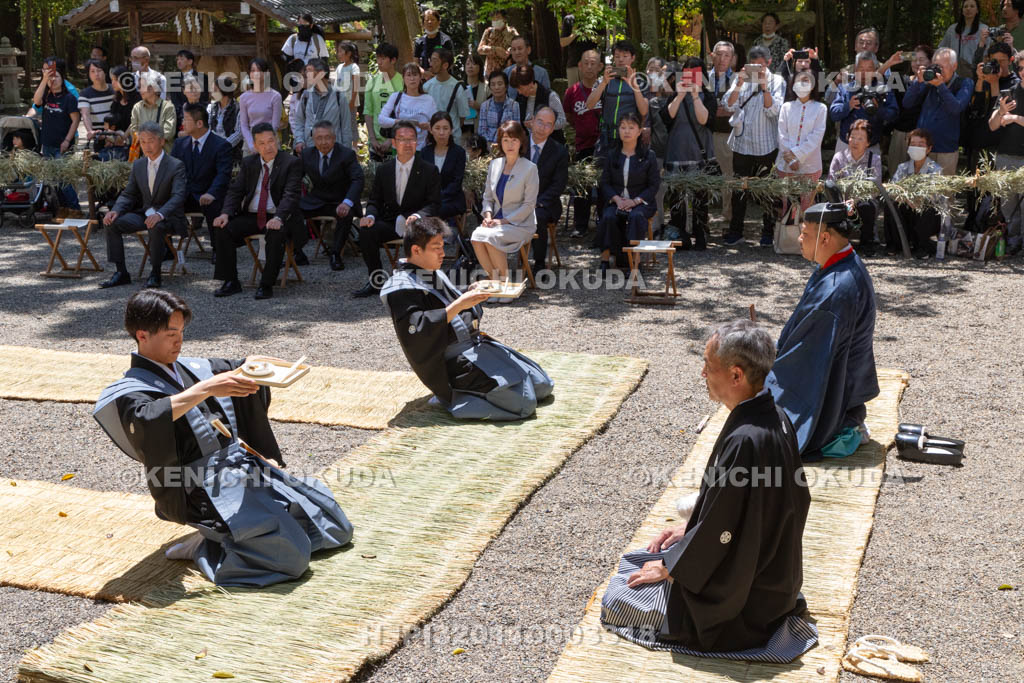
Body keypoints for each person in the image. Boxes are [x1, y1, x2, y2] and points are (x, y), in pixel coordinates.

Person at [93, 290, 353, 587]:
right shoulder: (130, 390)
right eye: (170, 334)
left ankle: (231, 532)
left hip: (242, 466)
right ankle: (205, 546)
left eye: (181, 332)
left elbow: (243, 365)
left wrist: (272, 368)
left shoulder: (193, 368)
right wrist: (205, 390)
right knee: (289, 559)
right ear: (142, 335)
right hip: (198, 485)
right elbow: (147, 418)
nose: (179, 341)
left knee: (333, 526)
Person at [601, 319, 814, 659]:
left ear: (736, 376)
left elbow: (721, 528)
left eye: (708, 366)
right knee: (643, 559)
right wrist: (690, 528)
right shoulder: (776, 415)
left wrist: (672, 569)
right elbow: (749, 507)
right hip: (777, 583)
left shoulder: (747, 438)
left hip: (742, 605)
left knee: (618, 598)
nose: (703, 374)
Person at [381, 216, 553, 418]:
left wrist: (469, 290)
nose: (443, 254)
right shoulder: (400, 288)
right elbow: (417, 328)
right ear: (416, 250)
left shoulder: (430, 271)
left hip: (476, 346)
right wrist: (461, 303)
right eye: (436, 248)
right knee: (524, 403)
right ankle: (453, 397)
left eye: (442, 247)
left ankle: (479, 389)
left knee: (543, 386)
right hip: (453, 361)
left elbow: (445, 298)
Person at [766, 202, 879, 461]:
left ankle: (837, 426)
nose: (800, 238)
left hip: (833, 397)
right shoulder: (847, 262)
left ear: (825, 237)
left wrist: (766, 373)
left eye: (805, 232)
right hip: (845, 384)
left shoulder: (836, 289)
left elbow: (806, 360)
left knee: (762, 421)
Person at [211, 123, 305, 301]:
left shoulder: (291, 163)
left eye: (271, 141)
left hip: (280, 216)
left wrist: (279, 217)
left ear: (277, 140)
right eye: (261, 143)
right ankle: (231, 281)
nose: (268, 146)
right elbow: (235, 191)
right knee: (223, 227)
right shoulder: (249, 163)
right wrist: (225, 214)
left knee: (275, 232)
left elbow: (291, 195)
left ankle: (266, 283)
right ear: (254, 146)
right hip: (252, 215)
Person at [354, 120, 441, 298]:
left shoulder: (429, 170)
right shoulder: (384, 170)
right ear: (394, 143)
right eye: (402, 139)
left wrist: (418, 215)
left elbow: (434, 204)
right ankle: (376, 280)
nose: (407, 144)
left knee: (424, 234)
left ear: (417, 142)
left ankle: (420, 283)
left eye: (411, 139)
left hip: (417, 225)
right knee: (366, 230)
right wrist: (370, 215)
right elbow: (374, 200)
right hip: (390, 221)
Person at [100, 121, 187, 289]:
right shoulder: (138, 165)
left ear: (162, 141)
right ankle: (121, 272)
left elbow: (178, 196)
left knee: (156, 225)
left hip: (169, 217)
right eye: (143, 141)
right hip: (145, 213)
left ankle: (155, 273)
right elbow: (129, 194)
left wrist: (160, 214)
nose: (147, 146)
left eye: (151, 140)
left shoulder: (176, 165)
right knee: (112, 223)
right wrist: (115, 210)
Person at [723, 46, 785, 246]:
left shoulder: (777, 80)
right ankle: (736, 231)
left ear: (768, 63)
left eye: (761, 65)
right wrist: (739, 84)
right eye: (753, 65)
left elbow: (774, 110)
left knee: (767, 190)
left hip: (766, 144)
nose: (757, 69)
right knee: (739, 189)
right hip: (742, 142)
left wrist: (765, 87)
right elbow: (728, 105)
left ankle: (767, 232)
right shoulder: (740, 79)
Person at [471, 120, 539, 283]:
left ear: (521, 142)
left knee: (491, 237)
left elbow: (529, 205)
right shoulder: (494, 165)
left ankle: (504, 284)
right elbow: (487, 198)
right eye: (506, 140)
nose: (510, 144)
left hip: (520, 224)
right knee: (476, 236)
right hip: (495, 222)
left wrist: (502, 221)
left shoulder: (530, 168)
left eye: (514, 140)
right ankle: (496, 282)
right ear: (500, 142)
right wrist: (487, 217)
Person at [662, 59, 717, 250]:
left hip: (699, 152)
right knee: (677, 196)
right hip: (677, 150)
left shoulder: (708, 97)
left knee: (700, 195)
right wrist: (679, 95)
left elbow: (704, 120)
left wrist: (695, 96)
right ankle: (680, 234)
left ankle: (700, 233)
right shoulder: (674, 95)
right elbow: (668, 116)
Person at [596, 112, 660, 273]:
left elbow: (653, 186)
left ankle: (634, 262)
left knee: (636, 217)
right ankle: (607, 259)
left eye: (631, 127)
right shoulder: (612, 155)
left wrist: (635, 201)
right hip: (617, 200)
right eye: (623, 127)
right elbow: (604, 182)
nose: (627, 131)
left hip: (641, 203)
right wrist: (617, 199)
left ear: (639, 131)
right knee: (609, 216)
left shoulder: (648, 156)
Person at [299, 120, 365, 271]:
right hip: (317, 200)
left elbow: (358, 179)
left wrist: (347, 202)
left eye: (327, 137)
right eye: (319, 138)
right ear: (313, 139)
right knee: (291, 211)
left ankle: (336, 254)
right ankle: (297, 252)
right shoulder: (306, 154)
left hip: (340, 200)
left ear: (334, 138)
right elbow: (294, 179)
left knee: (345, 214)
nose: (324, 142)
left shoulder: (346, 154)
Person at [172, 103, 232, 252]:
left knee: (214, 205)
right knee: (163, 204)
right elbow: (172, 172)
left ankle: (218, 250)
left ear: (199, 123)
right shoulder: (180, 144)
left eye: (186, 119)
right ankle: (168, 248)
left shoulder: (221, 145)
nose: (182, 123)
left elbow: (223, 175)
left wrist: (211, 193)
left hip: (209, 195)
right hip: (185, 195)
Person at [902, 47, 972, 175]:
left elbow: (956, 108)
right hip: (921, 149)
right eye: (935, 66)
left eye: (942, 67)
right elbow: (907, 103)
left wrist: (940, 86)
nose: (938, 71)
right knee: (918, 190)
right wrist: (919, 82)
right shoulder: (928, 81)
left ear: (954, 66)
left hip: (945, 150)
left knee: (943, 192)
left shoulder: (964, 83)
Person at [776, 68, 827, 222]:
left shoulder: (820, 108)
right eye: (799, 80)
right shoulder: (786, 107)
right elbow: (781, 134)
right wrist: (791, 159)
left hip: (810, 165)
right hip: (785, 165)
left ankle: (806, 242)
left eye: (806, 80)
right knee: (787, 206)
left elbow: (816, 137)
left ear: (813, 84)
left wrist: (797, 155)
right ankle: (786, 243)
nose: (802, 84)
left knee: (807, 207)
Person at [885, 129, 944, 258]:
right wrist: (906, 199)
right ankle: (896, 244)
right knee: (890, 204)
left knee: (929, 209)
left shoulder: (935, 169)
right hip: (906, 209)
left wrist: (918, 199)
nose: (916, 147)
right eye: (913, 144)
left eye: (921, 144)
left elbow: (934, 195)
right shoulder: (903, 168)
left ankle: (921, 246)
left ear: (929, 149)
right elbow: (893, 189)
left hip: (925, 213)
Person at [563, 49, 603, 237]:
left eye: (593, 63)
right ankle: (580, 225)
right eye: (585, 62)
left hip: (603, 146)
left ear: (600, 66)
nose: (589, 66)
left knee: (604, 185)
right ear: (579, 65)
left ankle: (603, 222)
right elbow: (569, 116)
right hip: (582, 145)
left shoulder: (606, 88)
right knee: (582, 186)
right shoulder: (571, 92)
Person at [524, 108, 569, 272]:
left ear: (552, 128)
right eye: (540, 122)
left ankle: (539, 263)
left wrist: (537, 203)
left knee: (537, 217)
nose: (543, 127)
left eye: (548, 124)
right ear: (532, 120)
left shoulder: (560, 152)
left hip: (545, 203)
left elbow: (558, 185)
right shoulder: (519, 145)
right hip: (518, 199)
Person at [32, 59, 80, 210]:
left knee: (64, 179)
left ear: (63, 79)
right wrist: (45, 79)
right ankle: (63, 209)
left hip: (63, 145)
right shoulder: (46, 97)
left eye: (56, 77)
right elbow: (36, 100)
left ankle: (75, 208)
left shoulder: (69, 98)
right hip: (47, 144)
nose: (53, 80)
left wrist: (67, 140)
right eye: (51, 77)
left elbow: (75, 121)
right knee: (53, 180)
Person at [828, 119, 882, 255]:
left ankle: (867, 244)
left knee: (867, 206)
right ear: (847, 138)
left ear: (868, 143)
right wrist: (845, 201)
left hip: (863, 200)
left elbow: (875, 189)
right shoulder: (839, 158)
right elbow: (831, 182)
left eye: (860, 138)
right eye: (852, 137)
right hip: (842, 200)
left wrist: (855, 200)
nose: (855, 141)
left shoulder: (874, 159)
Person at [586, 40, 650, 154]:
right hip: (607, 137)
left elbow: (644, 111)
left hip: (629, 138)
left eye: (625, 56)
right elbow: (589, 105)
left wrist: (634, 86)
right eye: (617, 56)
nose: (621, 60)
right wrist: (603, 83)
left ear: (632, 58)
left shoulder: (640, 81)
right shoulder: (604, 80)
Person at [829, 51, 898, 155]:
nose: (864, 73)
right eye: (861, 69)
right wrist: (848, 106)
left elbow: (894, 115)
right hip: (845, 146)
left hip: (871, 147)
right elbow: (834, 114)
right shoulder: (845, 87)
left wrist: (878, 109)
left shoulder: (883, 89)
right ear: (855, 70)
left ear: (875, 71)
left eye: (869, 69)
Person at [989, 56, 1024, 251]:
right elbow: (993, 125)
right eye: (1020, 68)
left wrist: (1015, 118)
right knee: (1008, 206)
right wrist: (1001, 112)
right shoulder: (1009, 91)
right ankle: (1012, 241)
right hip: (1006, 157)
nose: (1023, 72)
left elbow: (1012, 119)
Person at [886, 45, 933, 172]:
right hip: (900, 134)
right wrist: (889, 63)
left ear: (930, 62)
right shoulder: (901, 79)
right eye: (914, 60)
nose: (917, 63)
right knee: (895, 173)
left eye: (922, 59)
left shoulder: (935, 83)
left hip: (922, 137)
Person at [292, 58, 348, 154]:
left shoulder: (339, 96)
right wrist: (300, 141)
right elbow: (299, 121)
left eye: (309, 70)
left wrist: (346, 153)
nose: (305, 74)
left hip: (333, 151)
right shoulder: (306, 95)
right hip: (309, 149)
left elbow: (346, 127)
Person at [420, 112, 467, 225]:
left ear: (451, 130)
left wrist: (438, 198)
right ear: (431, 130)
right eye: (437, 128)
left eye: (445, 128)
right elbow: (422, 181)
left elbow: (456, 182)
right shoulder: (425, 152)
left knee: (433, 211)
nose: (441, 132)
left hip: (452, 200)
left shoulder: (459, 152)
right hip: (429, 200)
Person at [378, 63, 438, 150]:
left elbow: (436, 124)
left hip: (421, 148)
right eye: (408, 75)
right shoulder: (396, 96)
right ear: (403, 78)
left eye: (415, 75)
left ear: (420, 77)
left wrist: (428, 126)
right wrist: (400, 122)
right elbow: (381, 120)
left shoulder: (428, 99)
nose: (412, 79)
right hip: (400, 148)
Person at [708, 41, 737, 223]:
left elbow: (740, 108)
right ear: (712, 55)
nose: (722, 59)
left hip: (727, 133)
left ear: (732, 59)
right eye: (719, 54)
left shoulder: (737, 80)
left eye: (727, 55)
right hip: (704, 133)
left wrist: (724, 110)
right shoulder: (704, 77)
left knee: (728, 176)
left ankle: (728, 216)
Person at [364, 43, 404, 160]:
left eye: (383, 58)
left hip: (399, 142)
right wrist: (372, 139)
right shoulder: (372, 82)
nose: (379, 62)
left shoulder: (403, 82)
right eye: (378, 58)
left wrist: (391, 140)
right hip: (376, 143)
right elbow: (368, 111)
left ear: (393, 60)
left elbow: (406, 114)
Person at [239, 58, 283, 156]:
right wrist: (252, 144)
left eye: (259, 70)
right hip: (251, 142)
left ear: (266, 73)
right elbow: (244, 125)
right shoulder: (244, 98)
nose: (256, 74)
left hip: (270, 141)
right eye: (253, 70)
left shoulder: (275, 96)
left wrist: (263, 143)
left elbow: (275, 125)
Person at [510, 64, 567, 140]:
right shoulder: (520, 97)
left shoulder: (550, 96)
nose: (519, 92)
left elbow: (562, 121)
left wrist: (540, 125)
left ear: (529, 83)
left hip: (551, 143)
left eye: (520, 88)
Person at [424, 49, 471, 132]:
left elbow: (462, 116)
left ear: (445, 65)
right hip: (433, 135)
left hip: (453, 137)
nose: (431, 64)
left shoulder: (457, 87)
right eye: (430, 60)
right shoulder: (427, 86)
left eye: (435, 61)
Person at [129, 73, 176, 155]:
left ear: (153, 88)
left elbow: (169, 133)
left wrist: (146, 138)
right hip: (144, 158)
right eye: (139, 87)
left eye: (142, 86)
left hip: (163, 157)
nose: (140, 90)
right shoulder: (137, 107)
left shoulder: (168, 107)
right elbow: (133, 131)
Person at [940, 0, 988, 79]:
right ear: (962, 11)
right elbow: (942, 50)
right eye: (965, 6)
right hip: (954, 73)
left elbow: (986, 55)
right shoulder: (952, 29)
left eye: (972, 6)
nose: (968, 9)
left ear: (977, 10)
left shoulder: (984, 29)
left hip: (974, 73)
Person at [477, 70, 520, 143]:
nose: (496, 87)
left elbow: (516, 130)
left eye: (500, 84)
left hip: (508, 146)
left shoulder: (514, 105)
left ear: (506, 86)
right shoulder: (485, 106)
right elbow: (481, 131)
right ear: (490, 87)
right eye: (493, 84)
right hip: (489, 147)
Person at [169, 49, 208, 127]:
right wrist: (183, 116)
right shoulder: (173, 79)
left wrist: (197, 115)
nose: (178, 62)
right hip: (180, 119)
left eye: (182, 59)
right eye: (177, 59)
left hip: (199, 118)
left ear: (190, 61)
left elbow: (204, 98)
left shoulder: (202, 77)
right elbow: (175, 102)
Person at [79, 59, 114, 144]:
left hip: (116, 135)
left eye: (99, 70)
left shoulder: (114, 90)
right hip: (98, 136)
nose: (96, 74)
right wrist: (90, 131)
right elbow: (85, 114)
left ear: (105, 72)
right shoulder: (85, 94)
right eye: (92, 71)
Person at [477, 9, 519, 76]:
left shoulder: (512, 32)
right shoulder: (488, 31)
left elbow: (519, 47)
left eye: (498, 18)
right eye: (493, 19)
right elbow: (479, 50)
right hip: (489, 73)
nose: (495, 21)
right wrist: (495, 49)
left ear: (504, 19)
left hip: (507, 72)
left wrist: (509, 52)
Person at [560, 14, 599, 86]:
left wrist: (589, 34)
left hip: (590, 65)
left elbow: (601, 40)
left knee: (590, 94)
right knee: (573, 95)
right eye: (580, 1)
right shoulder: (569, 19)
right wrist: (574, 33)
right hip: (573, 64)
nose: (582, 2)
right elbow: (562, 43)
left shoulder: (596, 18)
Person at [335, 41, 361, 148]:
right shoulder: (339, 67)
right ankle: (343, 146)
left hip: (350, 102)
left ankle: (354, 148)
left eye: (341, 51)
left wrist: (352, 102)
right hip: (340, 102)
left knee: (352, 125)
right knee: (341, 125)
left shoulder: (354, 67)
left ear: (348, 53)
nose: (338, 54)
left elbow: (356, 86)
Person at [207, 83, 242, 159]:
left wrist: (223, 145)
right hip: (212, 149)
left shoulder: (238, 108)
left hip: (231, 151)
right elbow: (208, 128)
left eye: (215, 90)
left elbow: (239, 133)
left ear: (224, 91)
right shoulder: (211, 107)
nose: (211, 93)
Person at [463, 54, 489, 138]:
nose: (470, 67)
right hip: (462, 129)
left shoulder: (487, 88)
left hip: (480, 129)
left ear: (480, 67)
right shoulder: (458, 86)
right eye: (467, 64)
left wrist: (479, 106)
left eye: (474, 64)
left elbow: (493, 109)